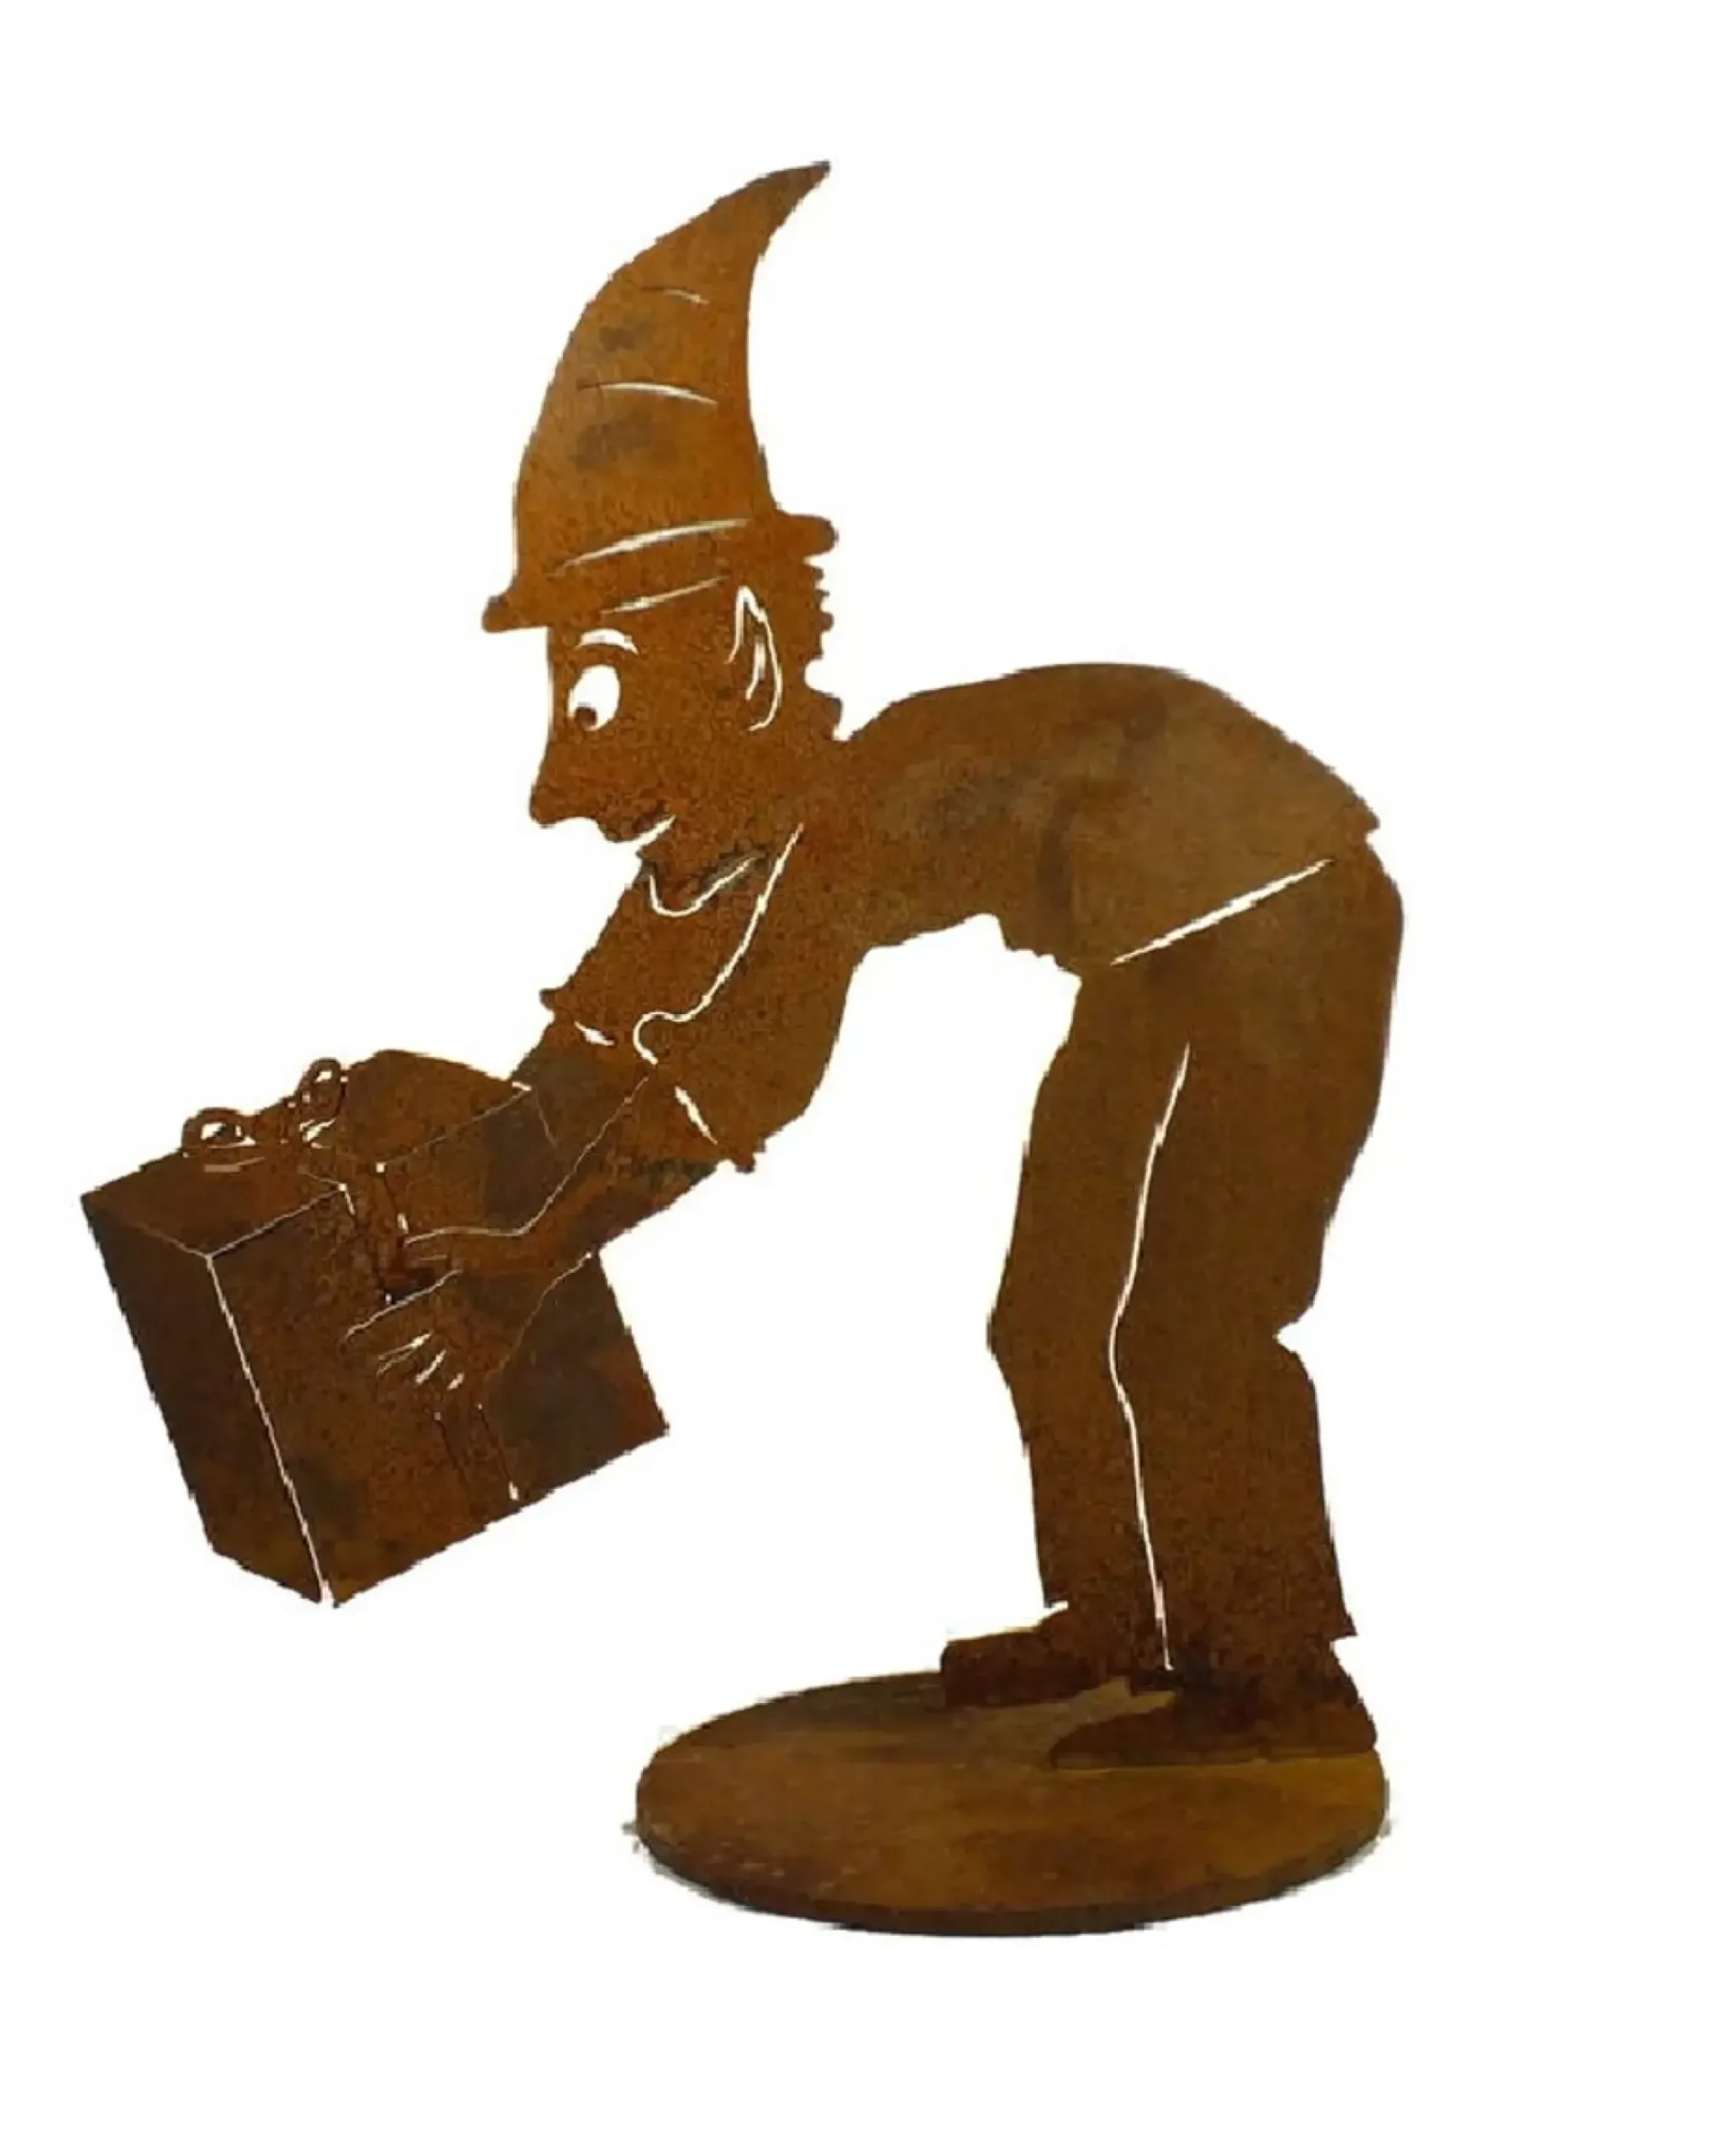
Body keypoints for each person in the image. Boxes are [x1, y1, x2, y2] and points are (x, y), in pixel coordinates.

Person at [387, 166, 1402, 1763]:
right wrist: (478, 1173)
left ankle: (1276, 1681)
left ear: (736, 657)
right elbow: (637, 1000)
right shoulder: (787, 828)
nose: (556, 788)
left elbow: (741, 1070)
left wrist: (540, 1254)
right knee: (1047, 1315)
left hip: (1288, 921)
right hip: (1159, 952)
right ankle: (1119, 1620)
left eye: (594, 701)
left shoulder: (846, 823)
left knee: (1191, 1324)